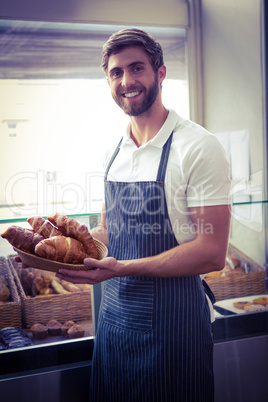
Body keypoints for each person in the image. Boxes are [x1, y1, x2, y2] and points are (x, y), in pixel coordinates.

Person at [56, 28, 231, 402]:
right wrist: (69, 246)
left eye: (137, 69)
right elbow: (109, 231)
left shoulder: (197, 146)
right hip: (114, 327)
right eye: (116, 73)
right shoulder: (113, 151)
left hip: (174, 333)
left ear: (161, 73)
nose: (126, 81)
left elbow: (212, 251)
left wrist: (123, 268)